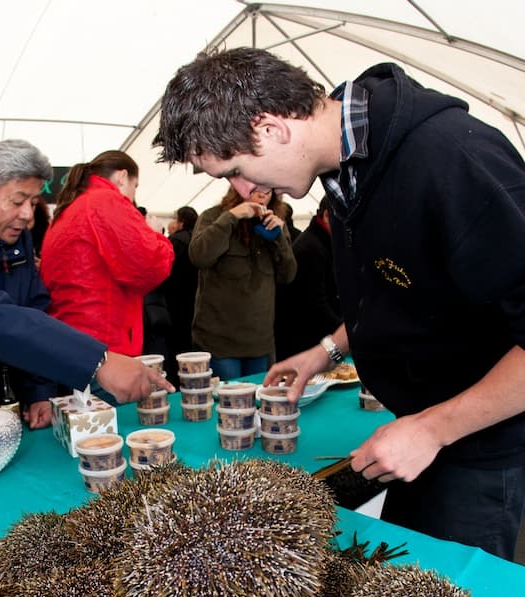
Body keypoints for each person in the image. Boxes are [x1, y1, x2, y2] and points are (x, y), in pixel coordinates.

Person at [154, 47, 525, 561]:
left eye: (235, 170)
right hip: (415, 433)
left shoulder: (453, 161)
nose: (243, 189)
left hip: (477, 445)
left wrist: (436, 428)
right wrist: (326, 350)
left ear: (272, 127)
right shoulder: (346, 174)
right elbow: (402, 291)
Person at [0, 139, 173, 426]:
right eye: (18, 201)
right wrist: (97, 361)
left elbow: (33, 308)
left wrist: (37, 390)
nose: (28, 215)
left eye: (33, 202)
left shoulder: (16, 241)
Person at [40, 151, 174, 368]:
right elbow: (149, 267)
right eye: (135, 186)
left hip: (72, 339)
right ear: (122, 177)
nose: (133, 195)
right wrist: (155, 234)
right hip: (105, 345)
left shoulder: (72, 207)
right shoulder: (107, 202)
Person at [188, 186, 296, 381]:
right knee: (227, 406)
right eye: (255, 188)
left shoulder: (274, 223)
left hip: (260, 344)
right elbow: (199, 256)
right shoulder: (213, 216)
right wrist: (231, 217)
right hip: (220, 344)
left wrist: (279, 237)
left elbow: (288, 275)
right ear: (239, 187)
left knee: (261, 405)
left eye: (268, 190)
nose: (262, 194)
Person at [275, 194, 342, 360]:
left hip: (316, 339)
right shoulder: (311, 247)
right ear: (327, 216)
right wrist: (345, 331)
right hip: (303, 343)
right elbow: (316, 304)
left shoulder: (325, 242)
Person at [160, 205, 199, 384]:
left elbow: (164, 271)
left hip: (176, 301)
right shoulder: (199, 239)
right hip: (196, 300)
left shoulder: (176, 241)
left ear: (181, 222)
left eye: (175, 219)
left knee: (178, 346)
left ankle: (178, 380)